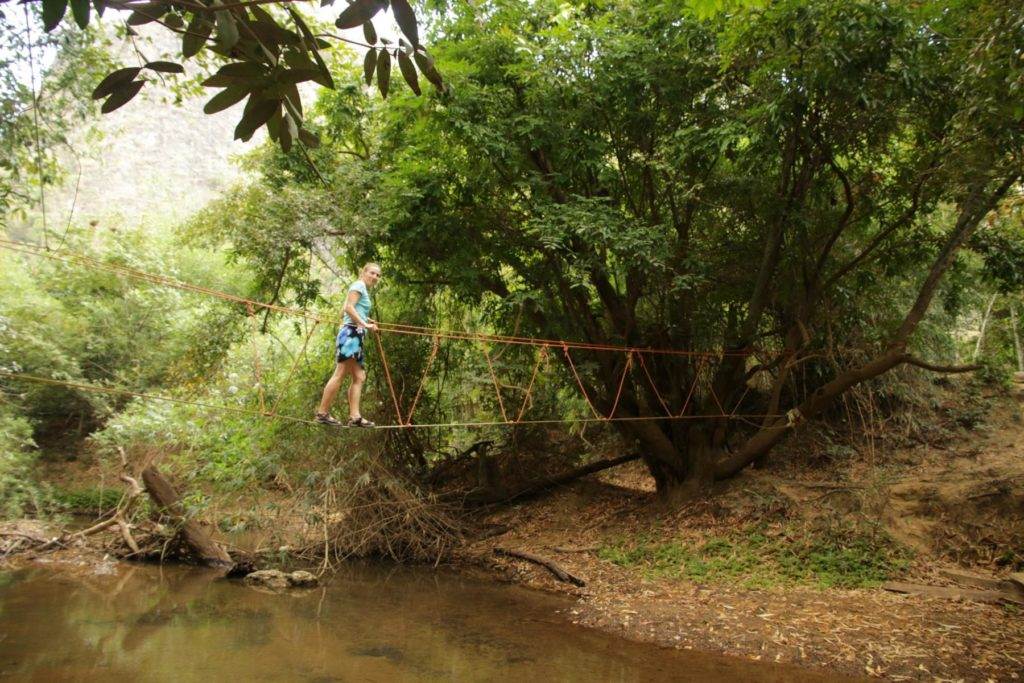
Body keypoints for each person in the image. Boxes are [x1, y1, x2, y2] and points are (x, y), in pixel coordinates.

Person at [315, 263, 382, 427]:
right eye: (372, 273)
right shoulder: (359, 285)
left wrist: (366, 320)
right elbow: (348, 308)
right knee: (340, 373)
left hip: (355, 336)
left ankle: (355, 416)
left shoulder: (363, 289)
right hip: (351, 335)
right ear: (364, 272)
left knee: (359, 377)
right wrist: (365, 325)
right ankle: (322, 413)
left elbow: (355, 310)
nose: (374, 277)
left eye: (378, 275)